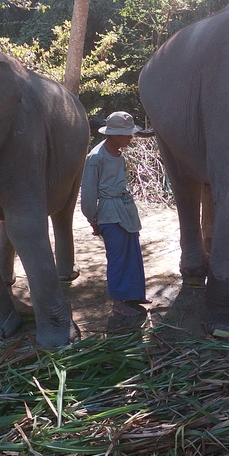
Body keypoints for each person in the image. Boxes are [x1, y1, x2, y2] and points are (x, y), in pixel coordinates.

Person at [81, 111, 148, 317]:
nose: (130, 138)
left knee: (133, 251)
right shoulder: (96, 158)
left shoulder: (119, 153)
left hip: (125, 208)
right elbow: (89, 193)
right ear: (113, 134)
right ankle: (119, 302)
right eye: (126, 134)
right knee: (118, 257)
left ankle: (135, 293)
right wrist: (93, 219)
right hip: (110, 213)